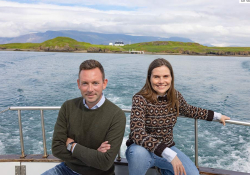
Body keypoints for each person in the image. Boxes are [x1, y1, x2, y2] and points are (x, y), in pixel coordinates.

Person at [125, 58, 230, 175]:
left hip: (167, 147)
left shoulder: (175, 96)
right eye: (156, 77)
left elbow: (189, 110)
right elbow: (137, 132)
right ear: (149, 78)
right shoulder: (140, 98)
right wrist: (169, 154)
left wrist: (217, 116)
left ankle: (164, 169)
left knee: (193, 174)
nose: (161, 81)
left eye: (165, 76)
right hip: (142, 150)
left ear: (171, 78)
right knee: (138, 154)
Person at [42, 59, 126, 175]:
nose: (90, 89)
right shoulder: (68, 107)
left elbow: (105, 162)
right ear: (78, 84)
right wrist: (93, 157)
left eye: (95, 83)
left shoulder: (116, 115)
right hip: (66, 170)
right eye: (85, 83)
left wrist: (72, 146)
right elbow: (57, 148)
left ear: (104, 83)